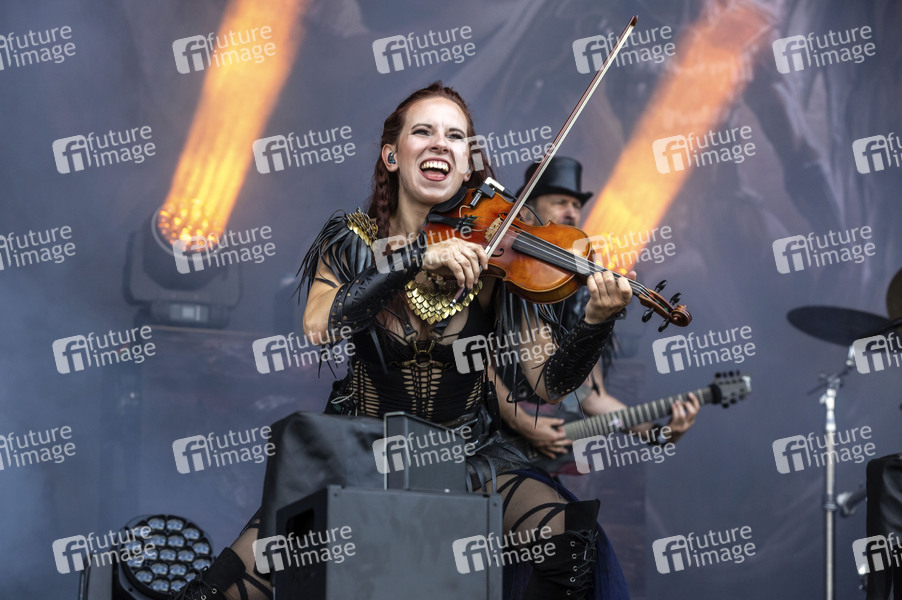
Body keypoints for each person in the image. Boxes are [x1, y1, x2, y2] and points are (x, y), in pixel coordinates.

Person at [175, 83, 633, 600]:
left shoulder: (499, 254)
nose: (440, 143)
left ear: (467, 162)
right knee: (225, 590)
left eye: (455, 136)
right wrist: (414, 257)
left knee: (568, 542)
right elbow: (320, 325)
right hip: (356, 456)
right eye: (423, 132)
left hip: (467, 457)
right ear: (393, 156)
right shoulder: (353, 239)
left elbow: (549, 384)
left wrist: (595, 322)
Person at [497, 157, 699, 461]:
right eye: (560, 202)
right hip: (480, 428)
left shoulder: (579, 291)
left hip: (531, 442)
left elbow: (592, 397)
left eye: (576, 205)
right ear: (527, 210)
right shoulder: (497, 266)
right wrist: (522, 422)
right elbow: (471, 360)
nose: (571, 211)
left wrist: (656, 433)